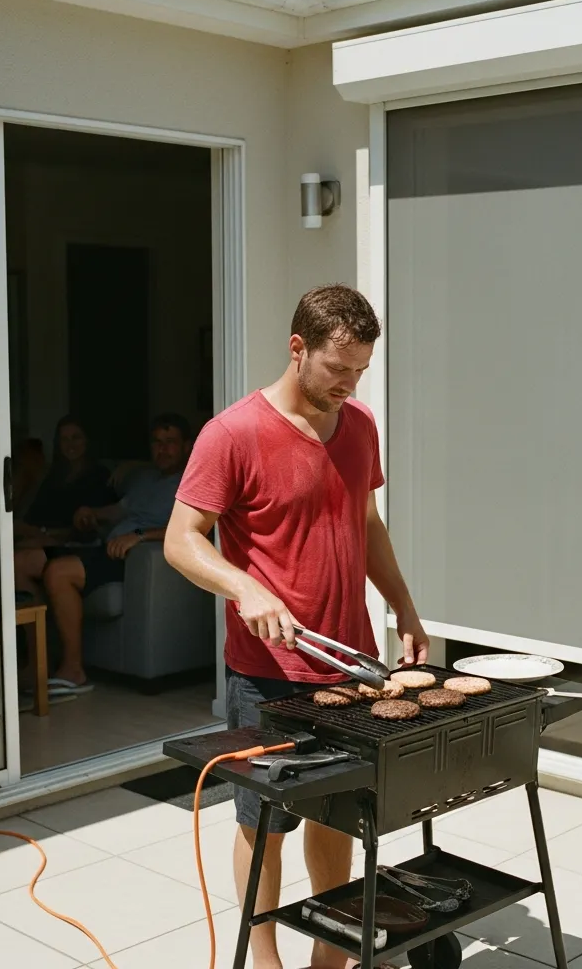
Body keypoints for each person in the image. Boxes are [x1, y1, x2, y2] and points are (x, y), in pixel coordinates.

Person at [165, 284, 428, 969]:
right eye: (337, 368)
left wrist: (402, 603)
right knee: (265, 824)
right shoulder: (233, 433)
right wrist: (242, 585)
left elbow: (364, 522)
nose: (348, 384)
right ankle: (264, 959)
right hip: (265, 673)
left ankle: (329, 958)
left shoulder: (360, 426)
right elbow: (181, 540)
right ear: (297, 348)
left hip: (347, 668)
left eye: (360, 371)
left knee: (338, 818)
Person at [41, 413, 193, 695]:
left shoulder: (191, 482)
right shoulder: (147, 479)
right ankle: (35, 665)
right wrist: (91, 514)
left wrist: (139, 537)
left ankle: (73, 669)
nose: (162, 449)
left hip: (132, 558)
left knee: (57, 571)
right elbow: (118, 511)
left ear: (186, 446)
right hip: (106, 546)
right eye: (157, 442)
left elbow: (193, 528)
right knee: (33, 562)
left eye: (170, 442)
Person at [13, 415, 115, 599]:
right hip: (44, 539)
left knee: (17, 561)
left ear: (87, 441)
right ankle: (37, 621)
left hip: (76, 546)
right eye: (64, 439)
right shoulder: (55, 476)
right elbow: (34, 516)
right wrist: (32, 531)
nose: (70, 444)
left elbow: (90, 527)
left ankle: (40, 622)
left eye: (76, 437)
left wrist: (46, 535)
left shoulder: (99, 476)